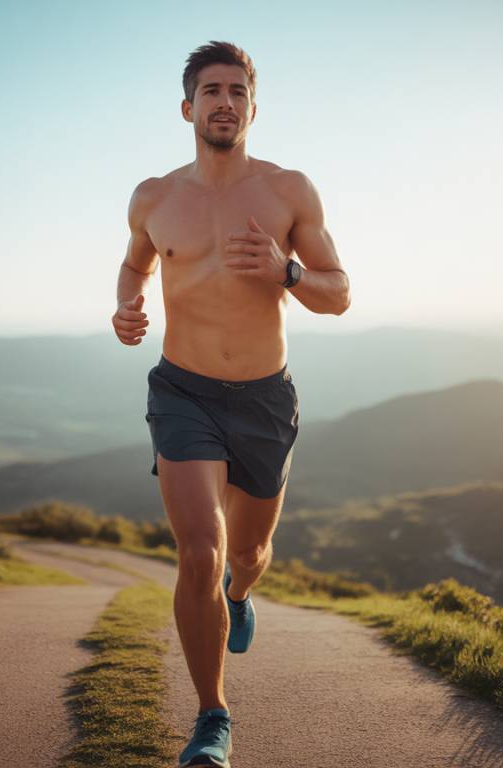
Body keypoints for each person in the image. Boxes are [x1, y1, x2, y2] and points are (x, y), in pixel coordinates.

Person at [111, 40, 350, 768]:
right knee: (199, 553)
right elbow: (134, 261)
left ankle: (240, 596)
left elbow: (338, 294)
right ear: (188, 107)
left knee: (244, 555)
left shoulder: (288, 192)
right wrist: (127, 306)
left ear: (253, 106)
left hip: (264, 400)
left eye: (237, 91)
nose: (224, 102)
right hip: (182, 391)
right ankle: (212, 717)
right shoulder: (154, 196)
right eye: (211, 91)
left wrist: (287, 272)